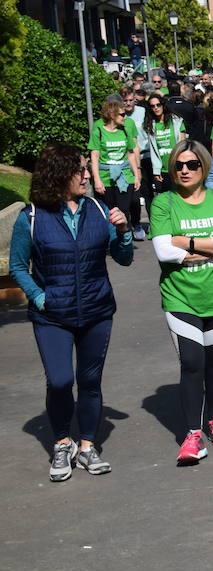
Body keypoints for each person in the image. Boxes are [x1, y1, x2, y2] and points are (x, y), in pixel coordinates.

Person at [10, 144, 134, 480]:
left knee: (90, 381)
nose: (86, 174)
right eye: (79, 169)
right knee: (61, 380)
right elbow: (18, 265)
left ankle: (87, 446)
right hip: (53, 316)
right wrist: (39, 297)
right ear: (58, 174)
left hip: (97, 311)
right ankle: (62, 442)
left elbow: (124, 258)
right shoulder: (32, 217)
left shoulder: (96, 208)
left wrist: (122, 232)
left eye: (85, 168)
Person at [149, 141, 213, 465]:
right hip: (180, 297)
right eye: (179, 165)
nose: (185, 170)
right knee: (192, 363)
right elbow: (163, 251)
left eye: (192, 164)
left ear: (204, 166)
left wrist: (185, 243)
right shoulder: (163, 203)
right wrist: (210, 244)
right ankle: (192, 434)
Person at [88, 95, 141, 225]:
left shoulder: (125, 131)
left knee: (123, 212)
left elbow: (131, 154)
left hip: (124, 176)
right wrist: (97, 180)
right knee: (109, 212)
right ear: (112, 115)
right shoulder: (98, 132)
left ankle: (124, 237)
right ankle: (112, 241)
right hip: (106, 177)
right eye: (122, 114)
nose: (125, 117)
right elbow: (94, 157)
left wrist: (136, 175)